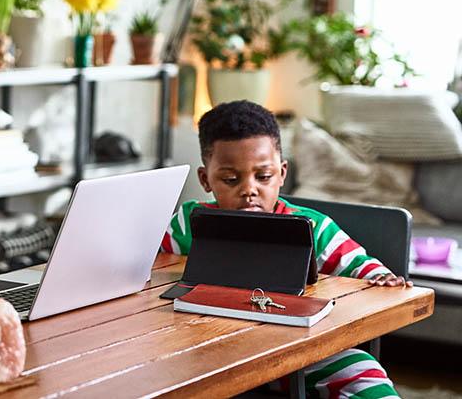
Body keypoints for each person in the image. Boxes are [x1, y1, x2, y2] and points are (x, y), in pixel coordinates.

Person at [161, 100, 409, 398]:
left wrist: (382, 276)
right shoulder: (189, 223)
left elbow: (362, 267)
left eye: (263, 177)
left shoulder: (312, 227)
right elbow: (147, 265)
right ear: (205, 180)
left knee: (361, 371)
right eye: (230, 179)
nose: (249, 189)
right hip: (207, 354)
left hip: (298, 356)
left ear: (282, 173)